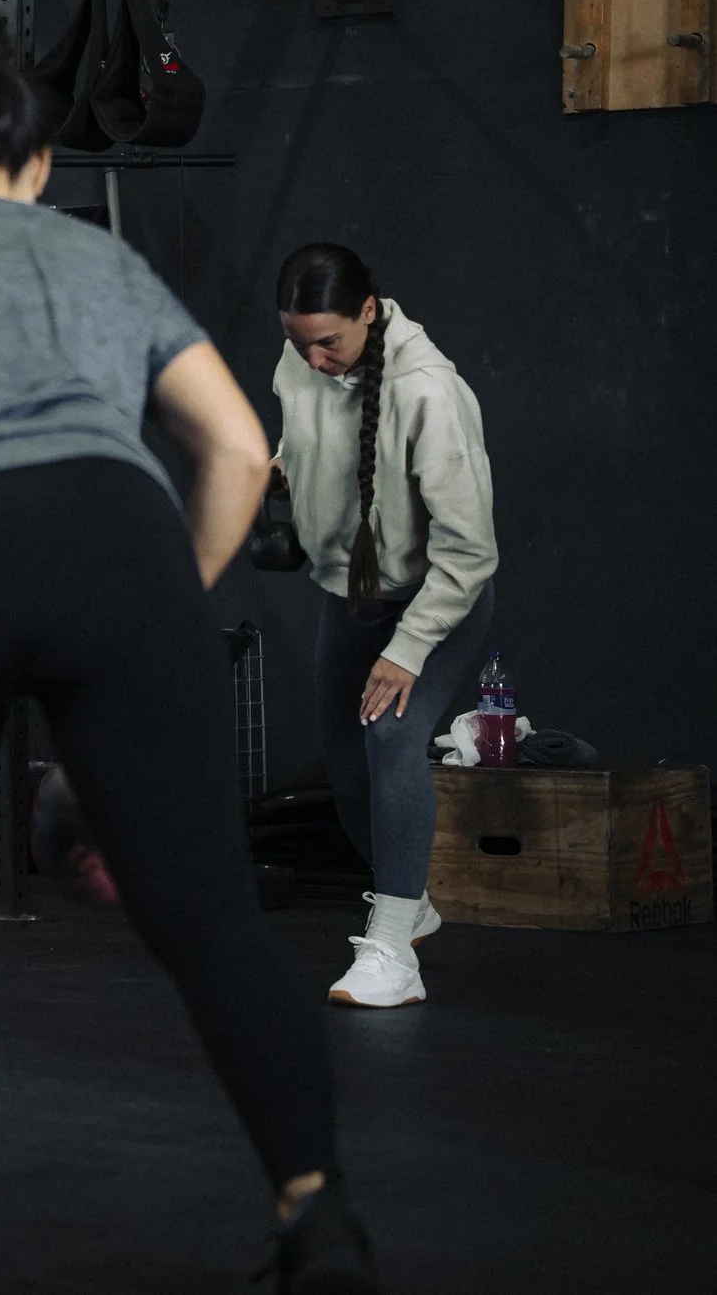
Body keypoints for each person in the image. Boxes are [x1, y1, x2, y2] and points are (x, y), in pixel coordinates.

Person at [0, 11, 381, 1293]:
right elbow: (239, 449)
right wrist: (167, 593)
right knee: (207, 905)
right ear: (41, 163)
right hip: (119, 542)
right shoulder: (105, 261)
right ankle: (315, 1207)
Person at [272, 244, 497, 1009]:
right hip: (354, 595)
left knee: (392, 736)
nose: (313, 357)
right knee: (344, 769)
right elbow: (315, 434)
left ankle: (395, 951)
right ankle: (411, 900)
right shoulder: (308, 355)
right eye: (298, 340)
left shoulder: (430, 392)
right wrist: (281, 467)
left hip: (438, 599)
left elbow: (470, 551)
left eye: (327, 341)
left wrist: (408, 650)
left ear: (369, 310)